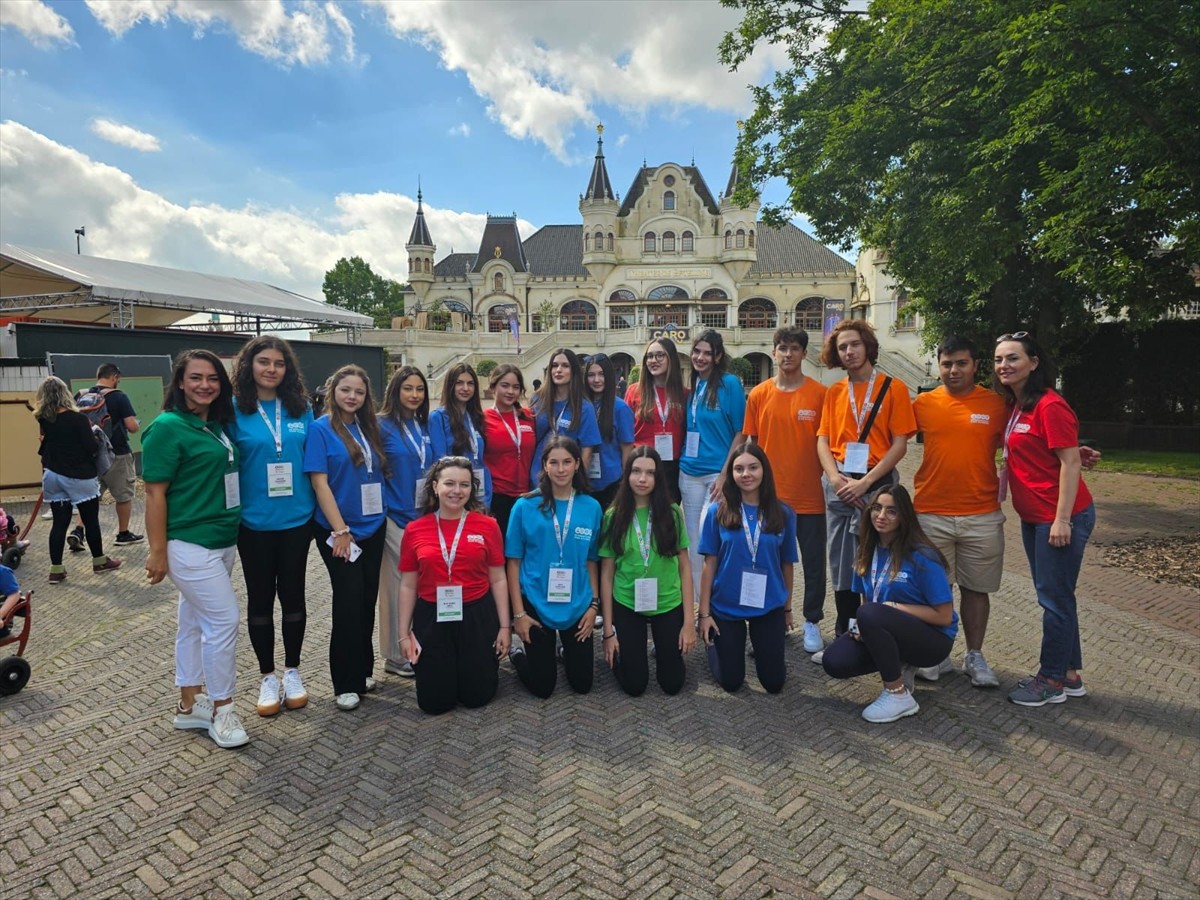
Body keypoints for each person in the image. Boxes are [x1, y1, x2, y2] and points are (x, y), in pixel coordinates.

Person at [143, 349, 247, 748]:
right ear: (180, 382)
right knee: (224, 621)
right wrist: (156, 551)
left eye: (213, 379)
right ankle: (223, 709)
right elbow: (154, 493)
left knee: (193, 620)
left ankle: (189, 703)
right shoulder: (167, 427)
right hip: (189, 543)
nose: (205, 385)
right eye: (196, 378)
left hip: (222, 540)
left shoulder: (216, 425)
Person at [994, 332, 1095, 707]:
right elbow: (1055, 450)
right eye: (999, 359)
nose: (1004, 365)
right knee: (1056, 597)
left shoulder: (1050, 405)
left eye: (1013, 358)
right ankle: (1069, 673)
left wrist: (1062, 520)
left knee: (1053, 600)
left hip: (1058, 517)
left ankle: (1051, 679)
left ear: (1034, 363)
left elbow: (1069, 464)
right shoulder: (1018, 405)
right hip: (1034, 516)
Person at [910, 336, 1007, 688]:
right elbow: (888, 435)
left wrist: (1072, 453)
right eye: (947, 364)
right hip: (931, 511)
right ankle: (936, 655)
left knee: (976, 589)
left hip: (981, 512)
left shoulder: (996, 404)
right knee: (936, 588)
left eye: (961, 363)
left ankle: (974, 655)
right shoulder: (923, 403)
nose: (953, 370)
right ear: (939, 365)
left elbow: (1025, 442)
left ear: (975, 365)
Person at [229, 336, 316, 716]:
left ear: (288, 369)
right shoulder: (232, 410)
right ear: (249, 366)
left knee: (294, 597)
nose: (271, 369)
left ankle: (292, 671)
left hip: (298, 519)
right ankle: (267, 676)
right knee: (260, 599)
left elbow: (315, 462)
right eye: (263, 362)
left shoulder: (301, 409)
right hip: (254, 522)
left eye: (279, 364)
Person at [816, 321, 916, 650]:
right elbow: (823, 440)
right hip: (840, 483)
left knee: (875, 559)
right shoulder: (835, 391)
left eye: (854, 344)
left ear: (868, 346)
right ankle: (845, 630)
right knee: (840, 561)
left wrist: (867, 483)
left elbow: (899, 444)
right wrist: (833, 477)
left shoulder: (894, 388)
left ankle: (875, 629)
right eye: (843, 347)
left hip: (876, 485)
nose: (849, 351)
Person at [821, 485, 958, 723]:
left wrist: (894, 608)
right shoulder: (866, 551)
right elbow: (867, 600)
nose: (881, 516)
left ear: (904, 516)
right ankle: (898, 662)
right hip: (885, 626)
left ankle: (898, 694)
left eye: (892, 511)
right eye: (877, 508)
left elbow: (944, 616)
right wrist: (864, 627)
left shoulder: (922, 556)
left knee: (871, 613)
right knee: (834, 662)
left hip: (933, 640)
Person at [303, 365, 389, 711]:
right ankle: (344, 681)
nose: (352, 396)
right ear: (332, 392)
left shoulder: (369, 428)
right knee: (348, 601)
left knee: (367, 599)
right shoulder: (320, 429)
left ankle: (363, 668)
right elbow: (319, 482)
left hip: (373, 526)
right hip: (339, 531)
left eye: (359, 392)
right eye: (346, 390)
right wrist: (340, 531)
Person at [397, 456, 511, 714]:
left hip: (476, 613)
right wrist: (404, 634)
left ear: (472, 489)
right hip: (432, 615)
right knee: (434, 704)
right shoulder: (415, 530)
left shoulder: (488, 526)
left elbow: (498, 578)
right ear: (435, 486)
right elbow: (408, 586)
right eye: (449, 483)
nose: (457, 491)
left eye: (465, 485)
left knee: (477, 697)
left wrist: (505, 627)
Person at [739, 326, 828, 655]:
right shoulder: (759, 394)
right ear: (773, 352)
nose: (787, 354)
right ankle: (769, 619)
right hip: (771, 499)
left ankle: (812, 620)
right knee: (766, 561)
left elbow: (827, 443)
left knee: (814, 563)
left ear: (805, 354)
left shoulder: (821, 395)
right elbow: (753, 445)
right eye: (782, 348)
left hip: (810, 498)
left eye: (794, 348)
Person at [505, 436, 602, 697]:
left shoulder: (591, 507)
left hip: (577, 603)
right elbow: (513, 565)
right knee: (543, 688)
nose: (561, 469)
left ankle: (563, 650)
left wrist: (594, 605)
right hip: (535, 603)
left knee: (582, 685)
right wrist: (519, 615)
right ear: (545, 466)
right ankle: (517, 657)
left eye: (567, 462)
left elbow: (592, 561)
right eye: (554, 463)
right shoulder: (524, 506)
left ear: (577, 465)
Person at [697, 442, 797, 694]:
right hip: (726, 604)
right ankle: (714, 646)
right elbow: (709, 565)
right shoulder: (716, 512)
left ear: (764, 471)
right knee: (732, 682)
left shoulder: (783, 513)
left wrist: (787, 608)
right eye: (739, 469)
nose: (746, 474)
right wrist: (704, 614)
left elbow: (787, 564)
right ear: (731, 474)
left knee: (774, 683)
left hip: (769, 604)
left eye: (753, 467)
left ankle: (763, 649)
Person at [598, 446, 694, 696]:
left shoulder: (672, 513)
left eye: (650, 473)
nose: (642, 479)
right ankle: (627, 650)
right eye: (636, 471)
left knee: (672, 684)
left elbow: (684, 567)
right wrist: (608, 632)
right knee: (635, 685)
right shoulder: (613, 515)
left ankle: (664, 650)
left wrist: (689, 623)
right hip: (627, 601)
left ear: (658, 477)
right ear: (627, 474)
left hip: (667, 601)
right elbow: (606, 575)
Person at [34, 376, 121, 584]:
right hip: (80, 476)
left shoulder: (44, 419)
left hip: (53, 476)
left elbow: (45, 448)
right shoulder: (79, 419)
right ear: (64, 393)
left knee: (59, 523)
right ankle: (99, 561)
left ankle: (56, 570)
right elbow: (91, 448)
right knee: (90, 520)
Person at [680, 329, 746, 596]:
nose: (701, 357)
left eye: (708, 353)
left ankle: (719, 595)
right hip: (689, 472)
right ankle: (699, 603)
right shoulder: (694, 385)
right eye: (697, 351)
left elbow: (741, 433)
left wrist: (724, 475)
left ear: (718, 356)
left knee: (716, 538)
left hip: (716, 474)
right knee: (694, 541)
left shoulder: (729, 384)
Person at [377, 365, 434, 679]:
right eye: (408, 388)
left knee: (421, 585)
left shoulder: (424, 424)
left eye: (420, 389)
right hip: (396, 518)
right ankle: (395, 654)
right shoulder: (381, 425)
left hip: (425, 519)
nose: (414, 395)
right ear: (395, 391)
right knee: (397, 587)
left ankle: (417, 643)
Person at [71, 363, 143, 547]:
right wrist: (137, 423)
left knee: (90, 496)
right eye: (118, 378)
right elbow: (132, 427)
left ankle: (78, 531)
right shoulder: (119, 396)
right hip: (117, 453)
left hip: (90, 454)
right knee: (124, 495)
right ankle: (123, 533)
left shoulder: (81, 395)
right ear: (114, 377)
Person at [624, 338, 687, 503]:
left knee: (666, 520)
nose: (654, 361)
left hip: (671, 467)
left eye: (660, 355)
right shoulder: (634, 391)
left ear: (671, 359)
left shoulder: (684, 394)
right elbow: (625, 432)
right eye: (650, 356)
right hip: (641, 464)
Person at [530, 349, 602, 486]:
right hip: (537, 477)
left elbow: (587, 450)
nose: (558, 370)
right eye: (555, 365)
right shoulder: (537, 400)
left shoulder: (584, 407)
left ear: (573, 371)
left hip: (566, 479)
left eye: (565, 366)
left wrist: (578, 483)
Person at [483, 364, 536, 537]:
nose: (510, 391)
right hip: (498, 497)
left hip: (527, 495)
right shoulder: (482, 419)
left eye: (516, 387)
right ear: (493, 387)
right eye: (504, 385)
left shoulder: (528, 416)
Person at [430, 363, 491, 509]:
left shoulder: (477, 417)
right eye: (459, 383)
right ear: (450, 386)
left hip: (481, 492)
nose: (465, 388)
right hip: (456, 494)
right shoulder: (438, 417)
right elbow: (440, 461)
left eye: (470, 384)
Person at [583, 353, 634, 510]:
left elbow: (627, 449)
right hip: (584, 481)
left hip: (612, 482)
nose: (596, 380)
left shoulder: (620, 408)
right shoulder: (582, 406)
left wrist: (626, 484)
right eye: (591, 375)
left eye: (601, 374)